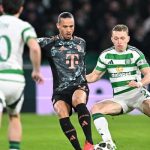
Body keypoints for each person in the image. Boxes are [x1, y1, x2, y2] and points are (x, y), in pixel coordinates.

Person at [86, 24, 150, 150]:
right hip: (120, 99)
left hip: (138, 95)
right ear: (111, 39)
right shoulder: (106, 55)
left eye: (122, 38)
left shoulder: (135, 54)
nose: (119, 41)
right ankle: (109, 144)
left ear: (128, 39)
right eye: (116, 38)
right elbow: (94, 76)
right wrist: (78, 78)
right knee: (95, 108)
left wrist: (140, 83)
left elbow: (148, 73)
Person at [38, 12, 94, 150]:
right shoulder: (49, 43)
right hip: (60, 90)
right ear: (58, 26)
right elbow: (29, 41)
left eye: (71, 26)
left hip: (79, 85)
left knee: (78, 100)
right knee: (61, 112)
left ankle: (89, 143)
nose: (69, 30)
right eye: (65, 26)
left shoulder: (81, 42)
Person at [0, 0, 44, 150]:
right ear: (21, 9)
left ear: (1, 8)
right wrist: (36, 70)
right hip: (15, 79)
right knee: (14, 116)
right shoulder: (24, 26)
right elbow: (35, 48)